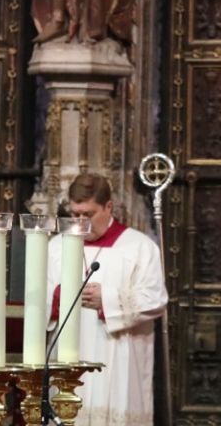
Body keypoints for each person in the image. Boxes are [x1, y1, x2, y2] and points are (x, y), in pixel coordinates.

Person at [46, 174, 167, 426]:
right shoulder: (56, 247)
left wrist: (108, 299)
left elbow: (155, 299)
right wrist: (57, 297)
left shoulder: (139, 247)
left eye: (88, 214)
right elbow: (39, 300)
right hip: (67, 356)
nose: (80, 222)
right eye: (75, 214)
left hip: (119, 357)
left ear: (108, 207)